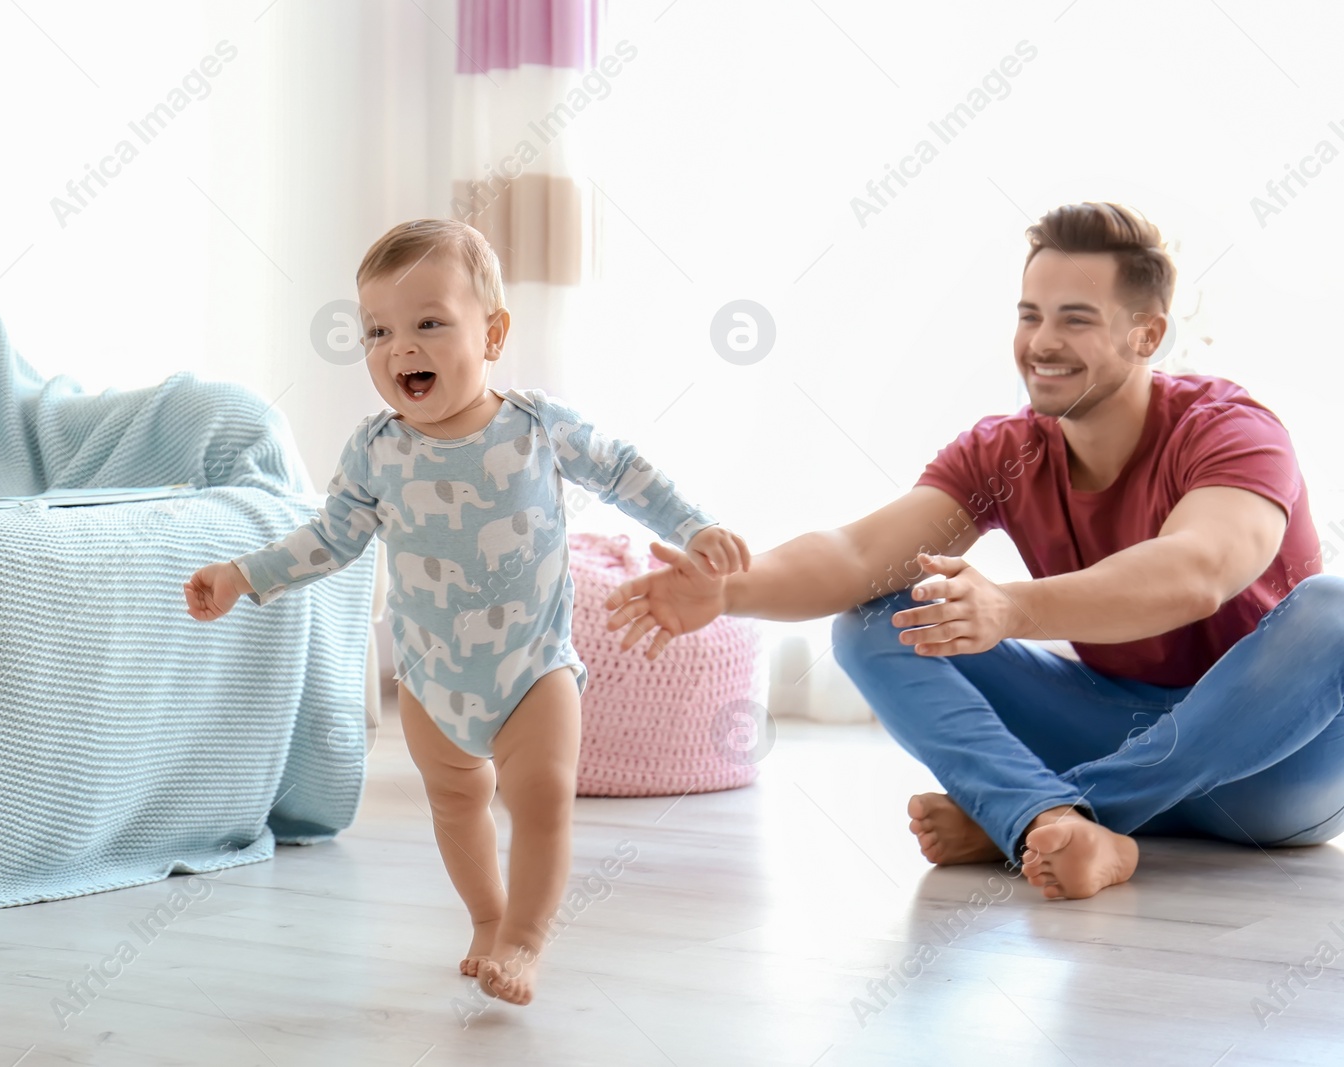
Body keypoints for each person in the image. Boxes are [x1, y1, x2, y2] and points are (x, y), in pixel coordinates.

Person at [606, 201, 1344, 901]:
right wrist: (732, 589)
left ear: (1146, 335)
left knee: (1335, 610)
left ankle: (1046, 814)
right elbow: (858, 551)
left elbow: (1197, 572)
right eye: (1031, 316)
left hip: (1273, 766)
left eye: (1075, 319)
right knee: (879, 618)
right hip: (1125, 727)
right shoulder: (1007, 450)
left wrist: (1011, 606)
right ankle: (1044, 821)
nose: (1042, 342)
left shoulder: (1229, 430)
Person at [182, 219, 750, 1003]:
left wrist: (694, 525)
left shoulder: (536, 426)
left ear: (493, 333)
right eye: (377, 329)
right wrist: (245, 575)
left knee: (542, 794)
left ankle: (525, 935)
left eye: (429, 323)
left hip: (532, 666)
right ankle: (487, 917)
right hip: (430, 677)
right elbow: (331, 539)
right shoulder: (375, 450)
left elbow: (623, 471)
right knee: (455, 805)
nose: (399, 347)